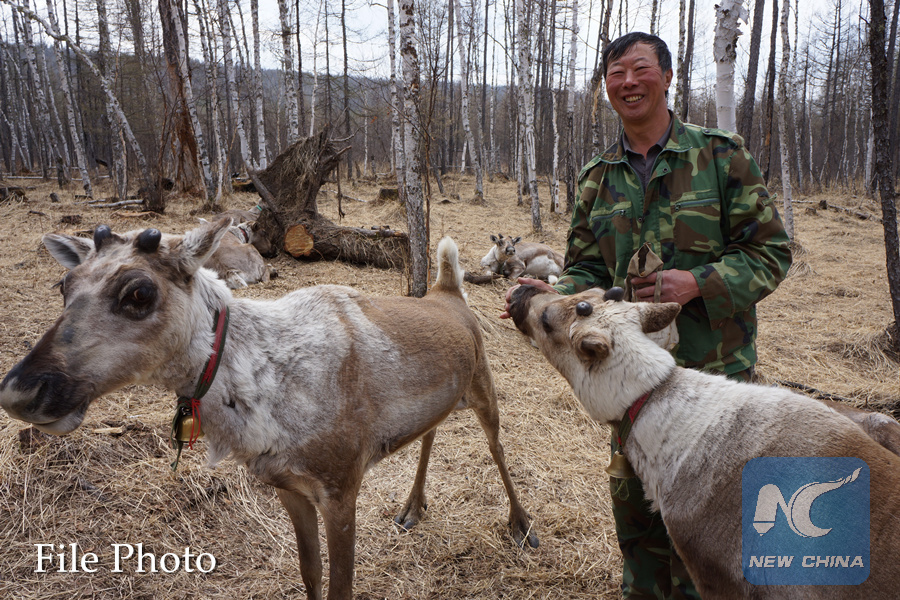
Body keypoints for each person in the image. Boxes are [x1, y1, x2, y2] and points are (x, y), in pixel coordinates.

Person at [502, 32, 792, 599]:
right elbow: (587, 268)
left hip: (714, 383)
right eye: (616, 74)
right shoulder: (597, 176)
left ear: (667, 76)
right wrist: (552, 295)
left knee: (716, 536)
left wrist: (699, 283)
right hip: (628, 385)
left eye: (640, 69)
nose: (628, 82)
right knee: (640, 532)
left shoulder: (720, 155)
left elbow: (771, 254)